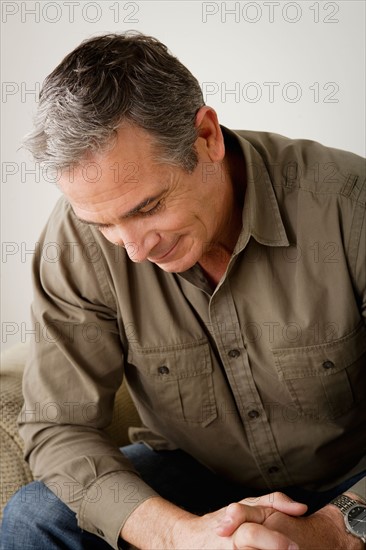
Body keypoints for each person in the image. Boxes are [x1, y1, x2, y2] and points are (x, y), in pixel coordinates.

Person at [1, 32, 365, 550]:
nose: (132, 250)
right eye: (102, 223)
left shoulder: (350, 206)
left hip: (351, 484)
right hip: (194, 480)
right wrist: (177, 535)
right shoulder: (77, 244)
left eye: (146, 208)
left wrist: (334, 529)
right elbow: (59, 427)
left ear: (207, 137)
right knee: (35, 515)